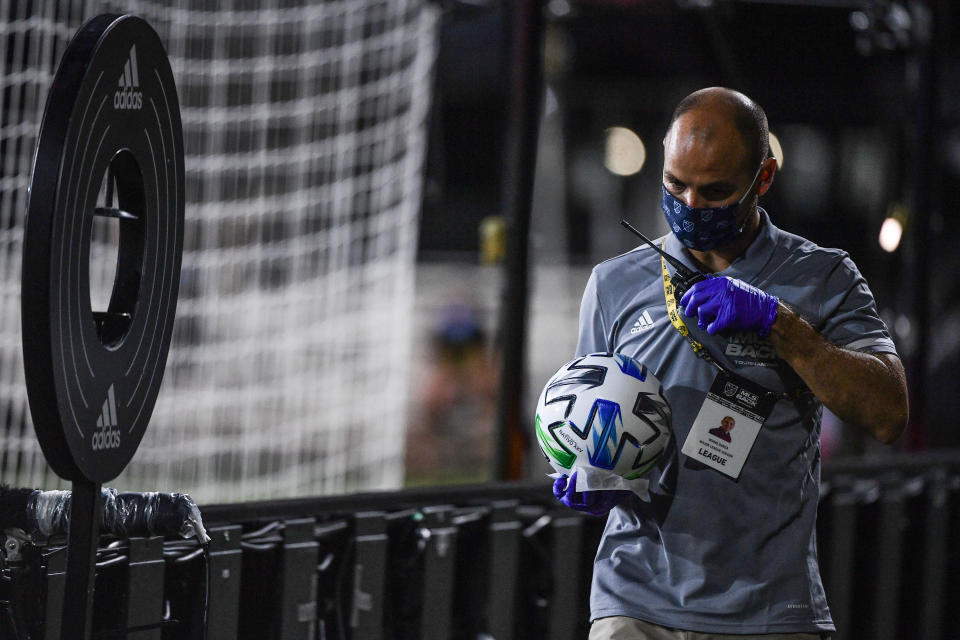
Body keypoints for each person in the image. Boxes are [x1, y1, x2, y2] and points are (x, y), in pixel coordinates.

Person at [553, 87, 908, 639]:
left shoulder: (823, 277)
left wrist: (781, 327)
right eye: (676, 184)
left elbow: (889, 414)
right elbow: (587, 415)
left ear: (762, 179)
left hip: (767, 612)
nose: (690, 204)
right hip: (633, 604)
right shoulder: (613, 284)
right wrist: (589, 473)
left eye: (715, 191)